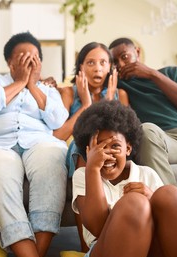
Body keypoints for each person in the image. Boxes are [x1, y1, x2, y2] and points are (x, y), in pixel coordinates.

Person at [0, 32, 69, 257]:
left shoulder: (47, 89)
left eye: (34, 58)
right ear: (9, 62)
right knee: (0, 174)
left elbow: (57, 120)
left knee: (53, 160)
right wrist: (19, 82)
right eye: (23, 57)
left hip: (40, 142)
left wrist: (32, 85)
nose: (29, 62)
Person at [72, 99, 177, 257]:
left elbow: (166, 222)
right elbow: (97, 228)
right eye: (99, 147)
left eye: (115, 146)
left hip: (151, 252)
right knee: (135, 203)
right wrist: (92, 169)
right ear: (88, 151)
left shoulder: (147, 174)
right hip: (104, 252)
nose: (107, 154)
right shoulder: (84, 174)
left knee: (170, 195)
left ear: (128, 148)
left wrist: (152, 200)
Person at [109, 37, 177, 186]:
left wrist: (152, 74)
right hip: (165, 141)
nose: (121, 65)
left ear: (137, 52)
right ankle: (170, 204)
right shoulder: (118, 86)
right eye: (115, 63)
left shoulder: (171, 72)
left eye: (124, 57)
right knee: (146, 130)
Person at [54, 42, 129, 178]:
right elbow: (59, 135)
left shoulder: (120, 94)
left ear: (110, 67)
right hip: (80, 152)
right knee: (83, 143)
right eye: (90, 63)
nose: (97, 68)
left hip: (113, 154)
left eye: (103, 63)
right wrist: (86, 105)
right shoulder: (68, 93)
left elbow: (126, 136)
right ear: (81, 67)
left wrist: (109, 102)